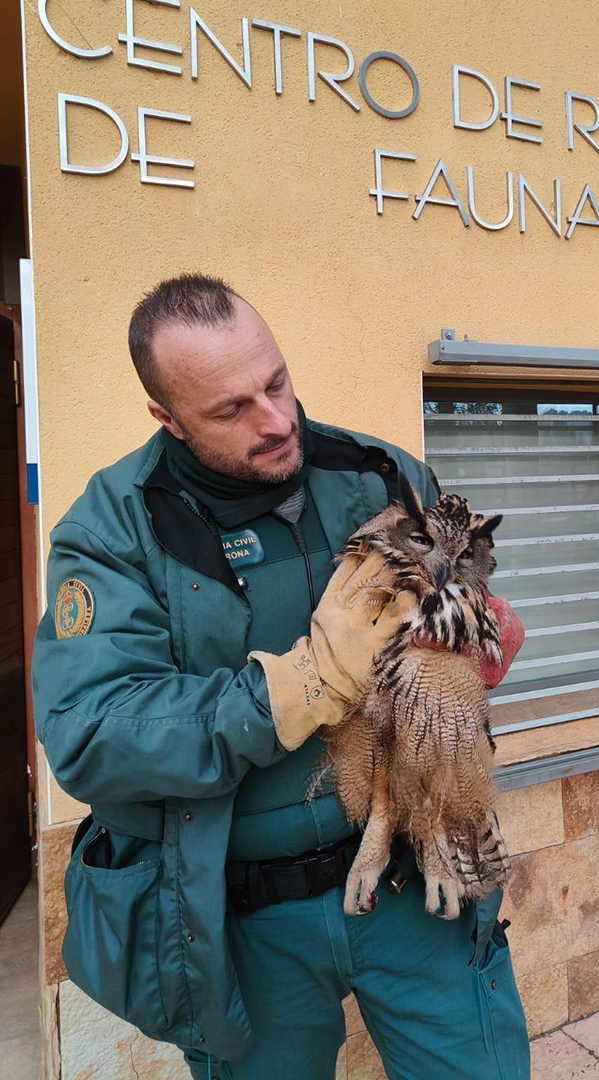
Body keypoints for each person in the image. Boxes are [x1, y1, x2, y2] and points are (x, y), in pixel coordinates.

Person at [31, 274, 530, 1080]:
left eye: (277, 383)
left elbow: (463, 588)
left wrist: (472, 639)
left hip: (413, 882)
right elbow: (91, 733)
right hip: (238, 920)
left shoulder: (376, 474)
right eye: (231, 410)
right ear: (167, 418)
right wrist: (297, 687)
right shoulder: (113, 527)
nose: (274, 421)